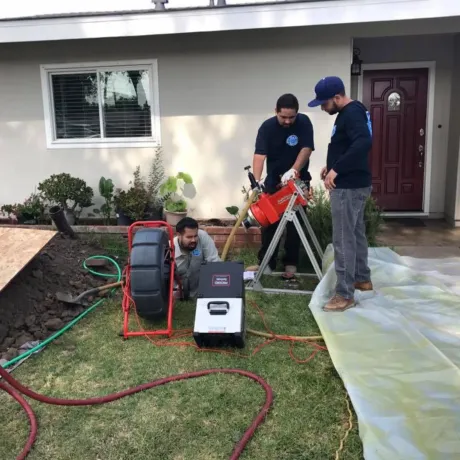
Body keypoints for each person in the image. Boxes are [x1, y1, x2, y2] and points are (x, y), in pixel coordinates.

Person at [307, 76, 373, 312]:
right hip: (354, 183)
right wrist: (332, 164)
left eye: (324, 103)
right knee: (355, 233)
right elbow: (349, 145)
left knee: (343, 238)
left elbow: (363, 142)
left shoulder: (351, 113)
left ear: (337, 97)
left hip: (348, 187)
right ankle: (362, 278)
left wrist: (337, 169)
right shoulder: (353, 112)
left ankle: (344, 294)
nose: (323, 108)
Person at [247, 93, 315, 279]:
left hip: (297, 181)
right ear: (275, 111)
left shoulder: (304, 123)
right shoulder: (267, 127)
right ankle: (267, 264)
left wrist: (293, 170)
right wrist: (258, 182)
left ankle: (291, 265)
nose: (287, 121)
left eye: (291, 117)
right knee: (269, 224)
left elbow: (306, 148)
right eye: (283, 117)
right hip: (273, 182)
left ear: (297, 113)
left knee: (295, 225)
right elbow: (260, 155)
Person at [173, 217, 221, 299]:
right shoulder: (170, 248)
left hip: (202, 290)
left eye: (195, 236)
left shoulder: (203, 237)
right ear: (179, 235)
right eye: (189, 237)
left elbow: (214, 262)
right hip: (178, 293)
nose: (193, 240)